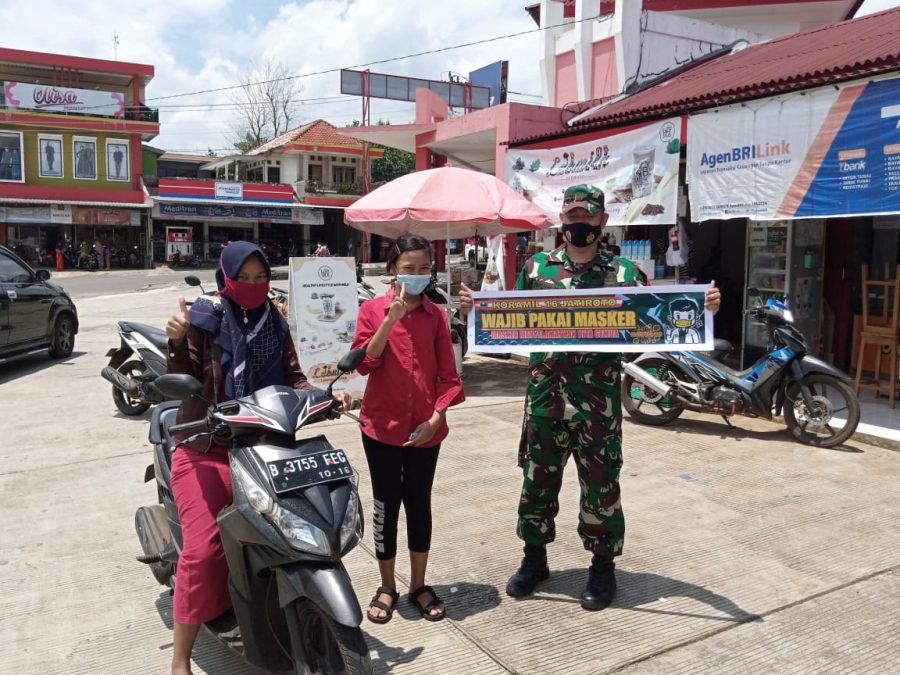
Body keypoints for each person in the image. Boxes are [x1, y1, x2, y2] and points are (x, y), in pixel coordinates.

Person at [459, 184, 721, 611]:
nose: (578, 223)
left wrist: (700, 309)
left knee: (601, 489)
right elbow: (504, 321)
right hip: (545, 401)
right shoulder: (537, 267)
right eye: (572, 215)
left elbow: (650, 329)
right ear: (562, 219)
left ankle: (602, 567)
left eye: (587, 216)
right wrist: (476, 311)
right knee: (536, 485)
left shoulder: (626, 275)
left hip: (598, 406)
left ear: (602, 220)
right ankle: (534, 560)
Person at [164, 241, 352, 675]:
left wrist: (326, 396)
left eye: (260, 278)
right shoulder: (203, 317)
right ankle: (180, 659)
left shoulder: (275, 321)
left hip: (263, 448)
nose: (252, 286)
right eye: (242, 278)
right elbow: (186, 374)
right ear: (225, 279)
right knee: (205, 550)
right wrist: (176, 341)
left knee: (303, 524)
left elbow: (294, 376)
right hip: (204, 447)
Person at [351, 234, 464, 624]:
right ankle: (387, 585)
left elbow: (449, 378)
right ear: (392, 270)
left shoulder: (436, 315)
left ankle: (418, 583)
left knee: (419, 503)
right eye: (407, 269)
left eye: (422, 269)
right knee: (386, 504)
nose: (416, 276)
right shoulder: (371, 310)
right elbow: (365, 364)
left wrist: (436, 418)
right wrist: (390, 321)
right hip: (380, 427)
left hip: (425, 431)